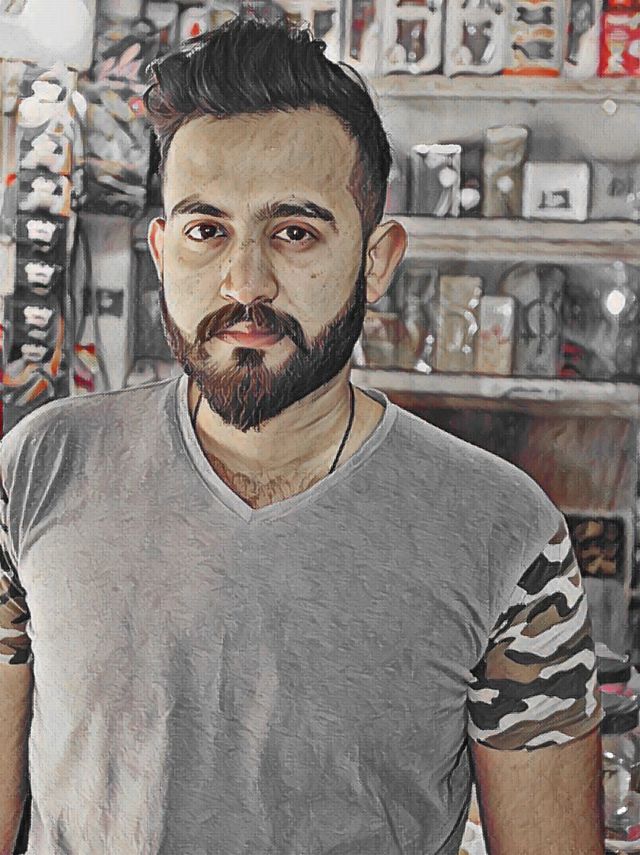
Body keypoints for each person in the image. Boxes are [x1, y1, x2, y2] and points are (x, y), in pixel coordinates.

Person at [0, 15, 605, 855]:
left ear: (377, 260)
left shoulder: (504, 530)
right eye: (207, 230)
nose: (244, 282)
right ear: (162, 250)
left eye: (295, 232)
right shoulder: (38, 469)